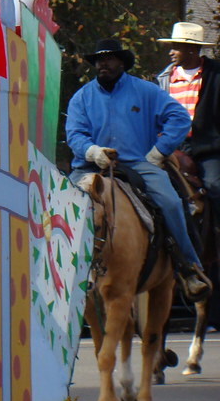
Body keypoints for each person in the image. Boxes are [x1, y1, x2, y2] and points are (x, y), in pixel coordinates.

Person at [66, 38, 211, 301]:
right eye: (100, 59)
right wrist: (93, 151)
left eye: (109, 58)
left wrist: (159, 151)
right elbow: (74, 134)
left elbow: (178, 118)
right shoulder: (82, 97)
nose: (103, 63)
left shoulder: (146, 91)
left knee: (170, 202)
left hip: (137, 164)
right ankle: (55, 269)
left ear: (122, 62)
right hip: (89, 167)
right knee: (61, 206)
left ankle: (188, 267)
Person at [156, 22, 220, 221]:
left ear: (192, 49)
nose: (171, 52)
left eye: (176, 47)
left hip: (208, 147)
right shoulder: (164, 79)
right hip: (171, 145)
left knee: (214, 186)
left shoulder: (216, 75)